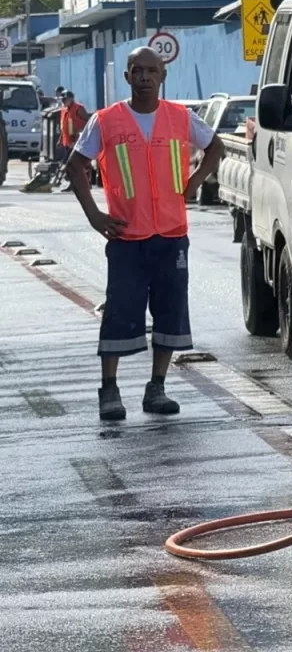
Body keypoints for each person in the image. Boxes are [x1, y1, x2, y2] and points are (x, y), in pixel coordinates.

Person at [66, 47, 225, 421]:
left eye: (153, 71)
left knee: (170, 309)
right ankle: (109, 390)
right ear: (127, 76)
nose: (145, 77)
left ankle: (157, 387)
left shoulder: (180, 117)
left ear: (163, 77)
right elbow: (75, 166)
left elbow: (215, 146)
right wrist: (94, 216)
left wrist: (195, 181)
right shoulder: (107, 121)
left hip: (171, 234)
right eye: (138, 70)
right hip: (126, 236)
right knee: (120, 311)